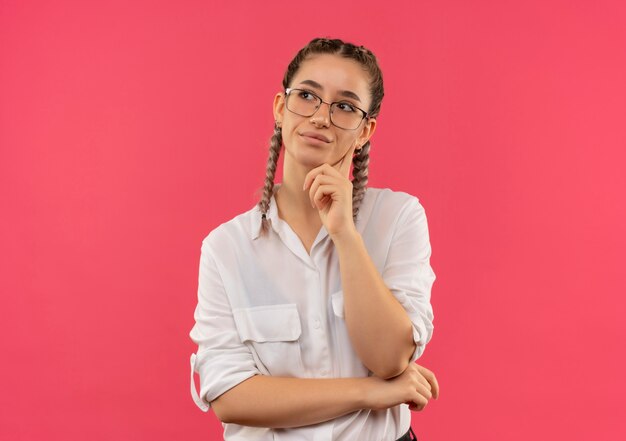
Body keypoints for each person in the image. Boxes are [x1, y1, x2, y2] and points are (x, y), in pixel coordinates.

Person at [189, 37, 439, 441]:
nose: (321, 117)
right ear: (279, 108)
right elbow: (231, 396)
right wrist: (370, 393)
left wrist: (344, 233)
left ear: (365, 130)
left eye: (344, 106)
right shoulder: (226, 248)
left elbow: (390, 357)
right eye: (306, 96)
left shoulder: (398, 218)